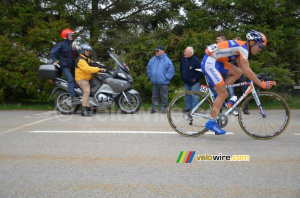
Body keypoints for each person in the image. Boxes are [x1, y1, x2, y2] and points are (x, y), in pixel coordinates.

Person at [201, 30, 276, 135]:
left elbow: (244, 70)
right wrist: (261, 84)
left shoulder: (243, 48)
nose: (260, 49)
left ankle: (217, 94)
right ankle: (211, 122)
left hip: (216, 61)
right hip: (210, 62)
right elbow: (247, 71)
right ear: (252, 42)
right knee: (224, 94)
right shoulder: (243, 49)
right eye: (260, 46)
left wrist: (257, 77)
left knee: (238, 72)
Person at [75, 44, 106, 117]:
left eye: (89, 50)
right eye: (87, 50)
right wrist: (99, 69)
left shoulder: (86, 58)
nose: (88, 52)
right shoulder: (80, 60)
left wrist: (103, 67)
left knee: (98, 84)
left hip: (87, 77)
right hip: (81, 79)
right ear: (83, 51)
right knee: (87, 90)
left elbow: (93, 64)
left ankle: (92, 105)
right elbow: (88, 69)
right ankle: (84, 110)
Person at [50, 29, 79, 102]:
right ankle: (72, 97)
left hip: (72, 66)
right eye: (70, 35)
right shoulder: (61, 44)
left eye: (72, 35)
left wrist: (74, 49)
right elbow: (52, 53)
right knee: (70, 79)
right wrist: (54, 61)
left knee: (79, 79)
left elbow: (76, 56)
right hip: (64, 66)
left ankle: (78, 95)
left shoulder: (71, 45)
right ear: (65, 36)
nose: (72, 36)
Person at [147, 45, 175, 114]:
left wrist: (165, 78)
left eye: (158, 50)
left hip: (164, 82)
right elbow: (149, 68)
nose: (156, 52)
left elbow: (171, 71)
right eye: (156, 50)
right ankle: (154, 108)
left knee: (164, 96)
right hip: (155, 82)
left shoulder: (167, 60)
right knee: (155, 96)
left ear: (163, 51)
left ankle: (163, 109)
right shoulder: (152, 59)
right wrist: (150, 76)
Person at [216, 33, 239, 116]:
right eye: (216, 39)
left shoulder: (227, 47)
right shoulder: (216, 48)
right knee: (219, 92)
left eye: (218, 39)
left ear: (223, 40)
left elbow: (232, 59)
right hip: (218, 73)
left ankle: (234, 109)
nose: (217, 41)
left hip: (226, 72)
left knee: (231, 91)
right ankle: (219, 110)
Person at [180, 46, 202, 112]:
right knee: (187, 95)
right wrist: (183, 77)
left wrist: (194, 79)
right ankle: (187, 108)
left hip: (194, 82)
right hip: (186, 81)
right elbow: (181, 69)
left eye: (186, 52)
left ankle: (194, 109)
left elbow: (200, 71)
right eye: (184, 52)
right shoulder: (183, 59)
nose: (184, 53)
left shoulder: (196, 60)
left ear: (191, 53)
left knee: (195, 96)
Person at [232, 36, 250, 114]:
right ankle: (233, 108)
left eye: (237, 42)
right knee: (233, 92)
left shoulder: (242, 50)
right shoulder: (231, 51)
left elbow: (244, 63)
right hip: (233, 73)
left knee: (244, 91)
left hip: (241, 73)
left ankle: (245, 108)